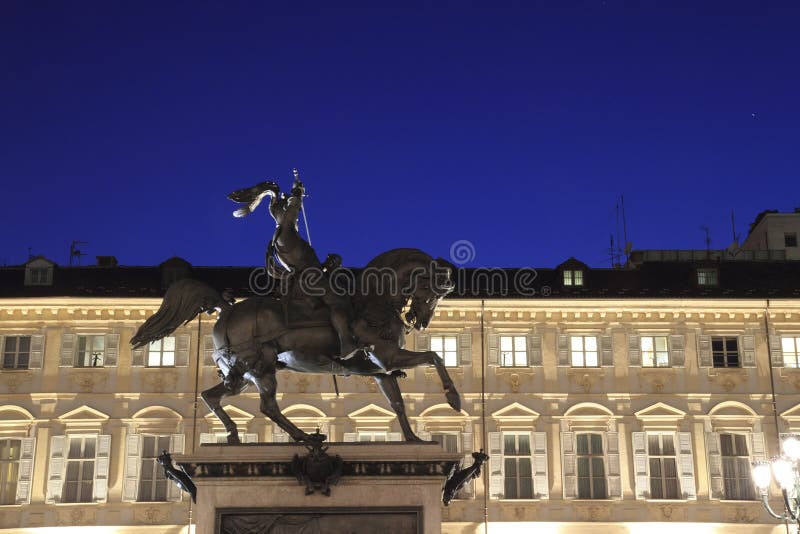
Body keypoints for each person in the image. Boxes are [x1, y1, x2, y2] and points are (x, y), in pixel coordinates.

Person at [228, 171, 365, 359]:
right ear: (284, 214)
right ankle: (346, 341)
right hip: (310, 281)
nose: (297, 219)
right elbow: (292, 217)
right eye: (294, 217)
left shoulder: (281, 238)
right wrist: (297, 194)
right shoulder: (286, 235)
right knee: (339, 301)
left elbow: (306, 265)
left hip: (307, 280)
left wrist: (327, 266)